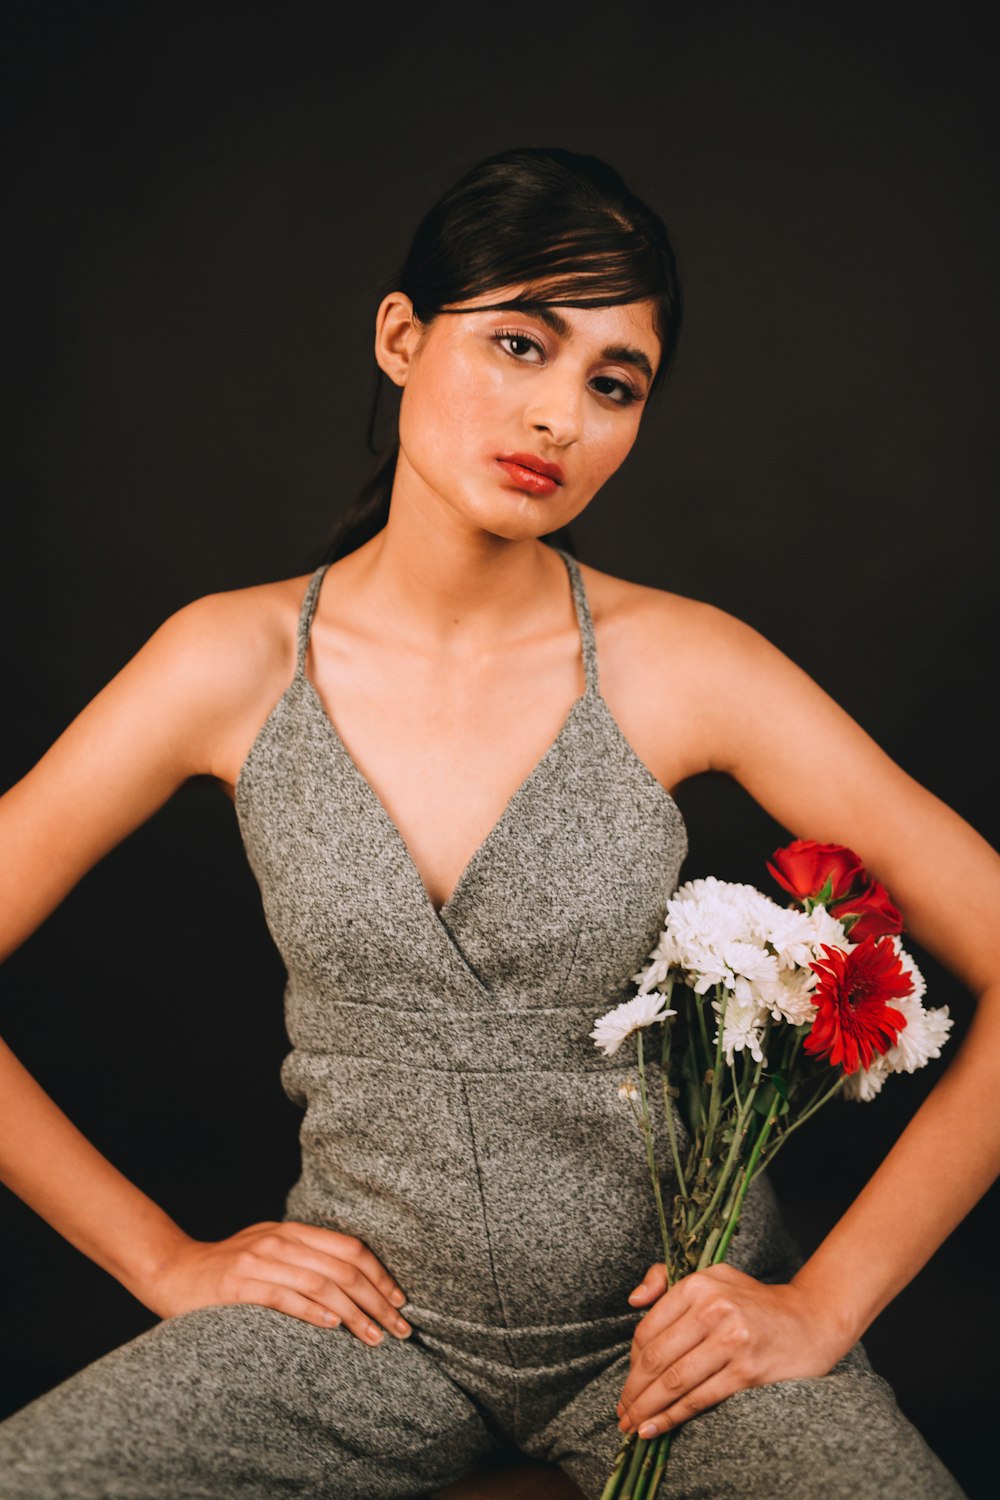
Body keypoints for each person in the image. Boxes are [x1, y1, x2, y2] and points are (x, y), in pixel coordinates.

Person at [0, 145, 992, 1500]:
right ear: (400, 337)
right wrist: (163, 1259)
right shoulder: (224, 662)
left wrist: (823, 1304)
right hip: (356, 1336)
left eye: (612, 383)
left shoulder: (686, 664)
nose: (559, 419)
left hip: (668, 1340)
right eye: (518, 343)